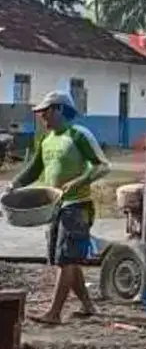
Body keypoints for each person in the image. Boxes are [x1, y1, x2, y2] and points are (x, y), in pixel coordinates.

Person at [7, 90, 110, 323]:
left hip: (77, 205)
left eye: (45, 112)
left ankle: (54, 313)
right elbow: (34, 169)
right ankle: (88, 306)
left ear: (60, 110)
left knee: (66, 259)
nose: (42, 117)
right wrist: (14, 184)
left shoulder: (78, 135)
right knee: (65, 259)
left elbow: (103, 166)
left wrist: (78, 181)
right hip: (54, 207)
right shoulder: (46, 139)